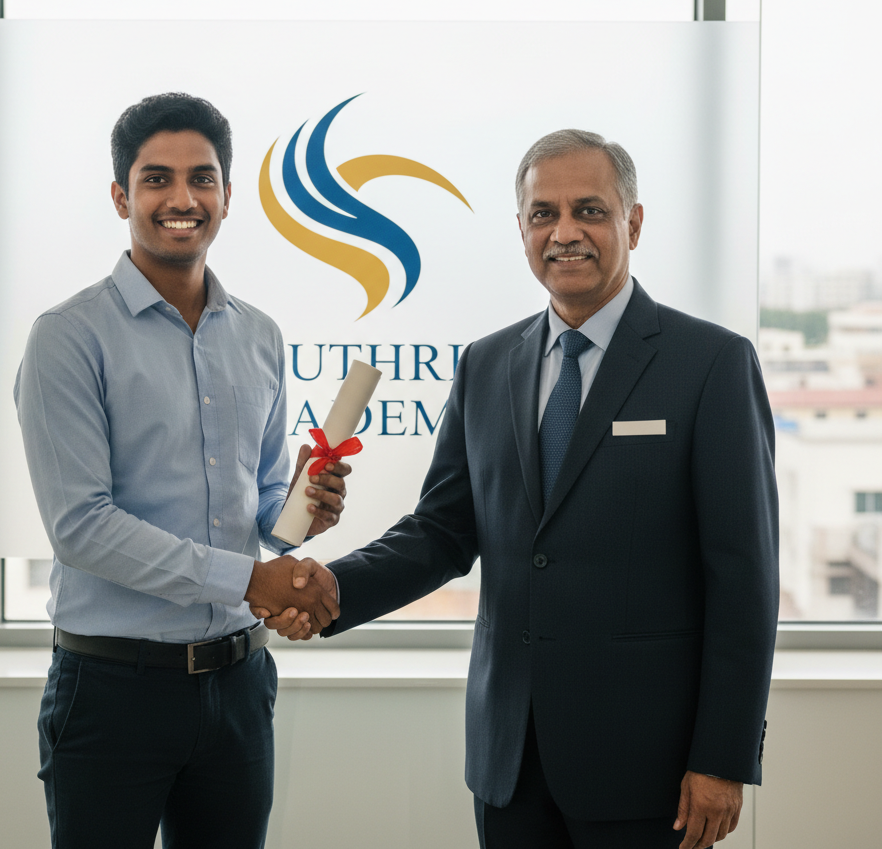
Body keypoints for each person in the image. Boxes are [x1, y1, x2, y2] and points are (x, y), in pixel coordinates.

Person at [269, 129, 779, 849]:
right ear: (521, 230)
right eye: (544, 214)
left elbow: (744, 578)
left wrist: (723, 758)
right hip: (509, 761)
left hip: (650, 770)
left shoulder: (711, 364)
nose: (565, 233)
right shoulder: (486, 365)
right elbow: (442, 532)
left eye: (590, 211)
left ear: (632, 222)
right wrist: (329, 590)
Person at [15, 92, 345, 849]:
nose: (181, 198)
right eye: (157, 178)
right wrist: (249, 580)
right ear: (121, 195)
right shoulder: (68, 338)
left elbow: (260, 502)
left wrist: (299, 507)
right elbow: (81, 528)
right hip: (110, 692)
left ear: (226, 197)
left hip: (238, 684)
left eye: (202, 178)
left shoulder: (259, 335)